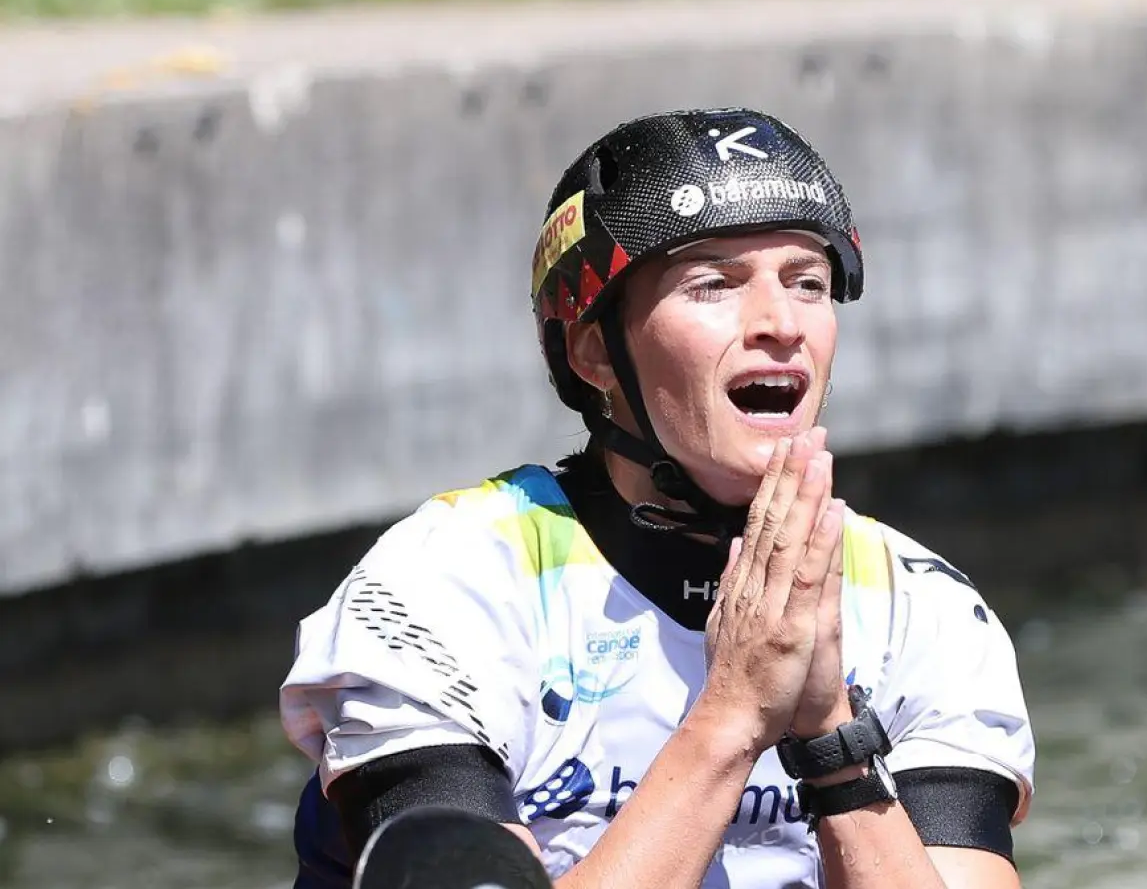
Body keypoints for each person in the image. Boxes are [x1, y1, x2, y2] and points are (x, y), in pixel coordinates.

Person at [280, 107, 1036, 889]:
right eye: (713, 284)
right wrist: (734, 716)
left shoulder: (923, 604)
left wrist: (833, 745)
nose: (780, 323)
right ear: (594, 352)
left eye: (807, 282)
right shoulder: (450, 583)